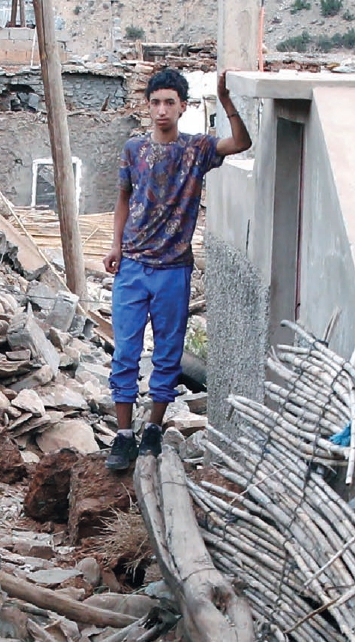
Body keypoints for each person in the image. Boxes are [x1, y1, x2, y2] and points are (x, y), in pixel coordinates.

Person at [103, 66, 251, 473]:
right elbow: (123, 199)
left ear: (183, 107)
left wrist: (225, 101)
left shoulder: (196, 149)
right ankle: (123, 434)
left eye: (170, 102)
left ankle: (153, 428)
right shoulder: (133, 149)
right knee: (126, 352)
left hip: (173, 270)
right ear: (147, 106)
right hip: (133, 266)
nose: (162, 110)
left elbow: (241, 142)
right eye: (155, 103)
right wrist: (115, 245)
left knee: (168, 354)